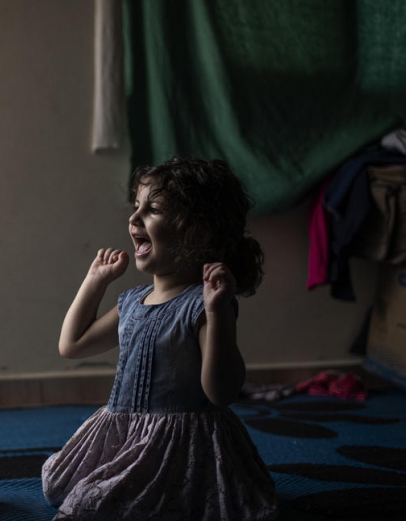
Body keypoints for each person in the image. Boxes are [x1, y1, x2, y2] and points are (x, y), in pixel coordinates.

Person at [41, 157, 278, 520]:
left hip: (178, 445)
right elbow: (72, 345)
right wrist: (95, 282)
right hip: (124, 433)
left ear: (196, 231)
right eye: (135, 206)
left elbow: (221, 392)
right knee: (64, 485)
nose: (134, 219)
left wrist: (217, 315)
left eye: (151, 209)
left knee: (102, 505)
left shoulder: (204, 303)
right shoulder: (133, 301)